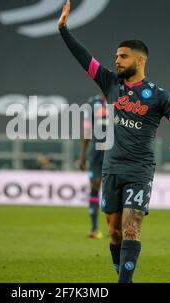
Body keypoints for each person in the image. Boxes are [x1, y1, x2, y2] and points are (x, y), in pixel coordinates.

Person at [58, 0, 170, 283]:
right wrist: (64, 30)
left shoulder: (158, 95)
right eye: (116, 56)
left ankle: (124, 282)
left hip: (139, 170)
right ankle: (122, 273)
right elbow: (85, 58)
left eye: (122, 56)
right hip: (111, 167)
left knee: (132, 228)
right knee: (115, 230)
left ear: (140, 60)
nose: (116, 61)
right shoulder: (110, 84)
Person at [79, 94, 107, 239]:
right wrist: (82, 154)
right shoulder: (93, 102)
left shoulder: (123, 99)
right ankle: (95, 228)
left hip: (114, 152)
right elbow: (87, 128)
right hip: (95, 152)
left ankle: (115, 227)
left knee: (113, 189)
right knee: (95, 186)